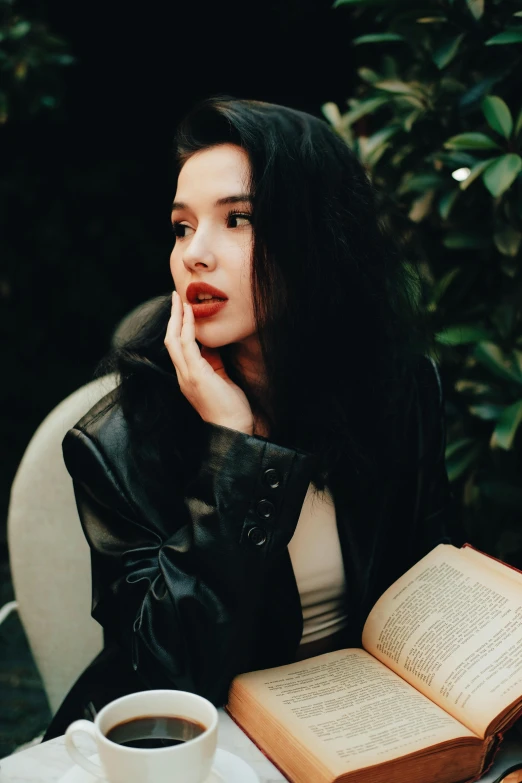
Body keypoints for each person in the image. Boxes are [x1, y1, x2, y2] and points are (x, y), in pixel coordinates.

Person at [44, 95, 460, 739]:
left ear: (321, 235)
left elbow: (431, 586)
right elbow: (165, 681)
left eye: (238, 218)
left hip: (367, 729)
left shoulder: (402, 390)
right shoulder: (117, 442)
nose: (194, 255)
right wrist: (232, 449)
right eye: (182, 227)